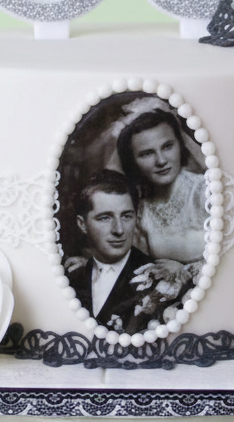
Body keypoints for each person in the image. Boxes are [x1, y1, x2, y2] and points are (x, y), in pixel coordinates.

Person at [68, 171, 155, 334]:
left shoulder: (156, 279)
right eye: (105, 218)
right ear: (82, 224)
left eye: (126, 216)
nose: (119, 230)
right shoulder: (71, 279)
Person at [116, 109, 207, 265]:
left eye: (167, 147)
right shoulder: (140, 210)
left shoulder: (204, 191)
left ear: (180, 145)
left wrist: (185, 272)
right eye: (147, 153)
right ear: (132, 161)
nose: (161, 161)